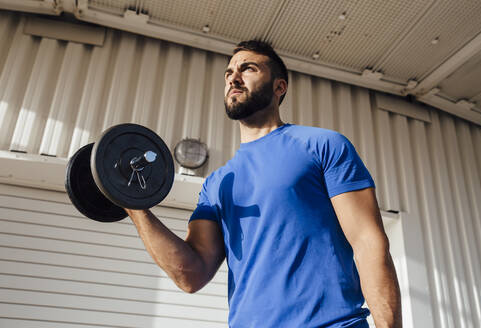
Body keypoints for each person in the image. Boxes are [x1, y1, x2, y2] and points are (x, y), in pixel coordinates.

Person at [126, 40, 402, 328]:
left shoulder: (322, 145)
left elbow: (369, 243)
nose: (233, 77)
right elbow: (190, 275)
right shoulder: (217, 183)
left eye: (248, 69)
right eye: (229, 72)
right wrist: (133, 206)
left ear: (279, 87)